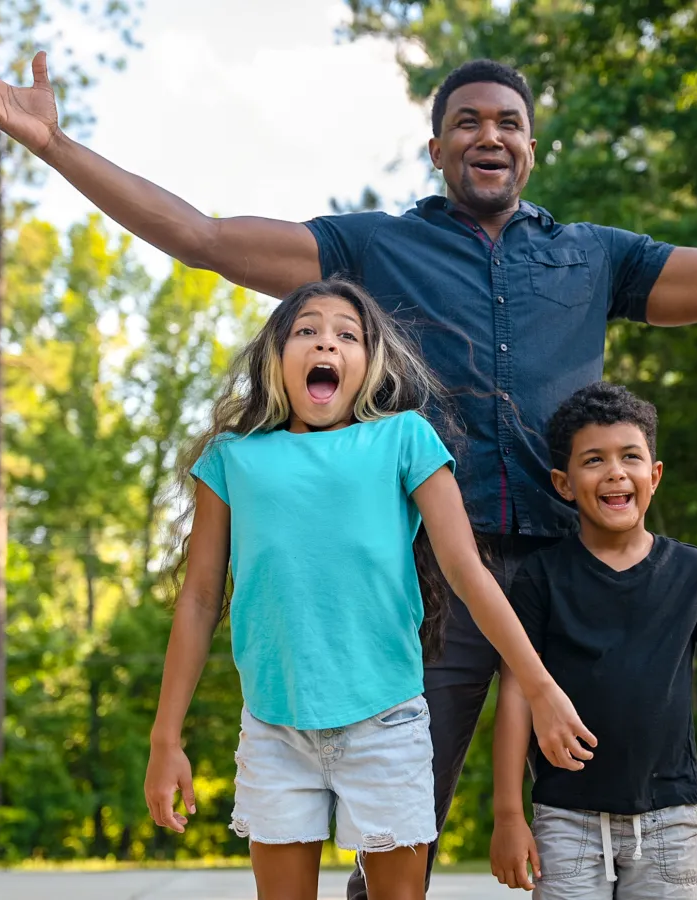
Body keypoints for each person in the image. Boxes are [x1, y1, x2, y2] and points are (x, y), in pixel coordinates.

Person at [0, 48, 697, 895]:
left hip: (574, 576)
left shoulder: (595, 256)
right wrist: (53, 144)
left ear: (531, 146)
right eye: (468, 121)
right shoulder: (374, 248)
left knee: (627, 802)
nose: (490, 134)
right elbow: (204, 238)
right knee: (396, 824)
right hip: (437, 578)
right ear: (437, 147)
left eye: (509, 123)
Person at [142, 278, 595, 900]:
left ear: (368, 365)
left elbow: (467, 570)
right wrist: (166, 739)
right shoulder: (232, 459)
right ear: (276, 357)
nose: (326, 341)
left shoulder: (403, 438)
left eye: (346, 335)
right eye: (307, 330)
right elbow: (197, 602)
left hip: (386, 721)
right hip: (274, 727)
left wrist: (540, 687)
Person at [489, 382, 697, 897]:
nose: (616, 472)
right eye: (594, 460)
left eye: (630, 457)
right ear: (564, 482)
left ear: (654, 475)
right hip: (565, 821)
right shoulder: (540, 577)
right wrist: (508, 813)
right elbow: (516, 691)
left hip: (669, 821)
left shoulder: (695, 572)